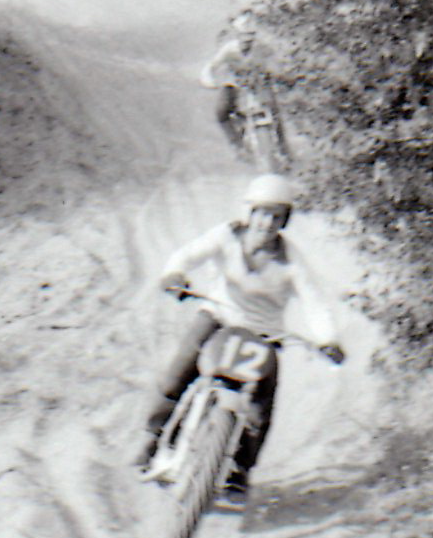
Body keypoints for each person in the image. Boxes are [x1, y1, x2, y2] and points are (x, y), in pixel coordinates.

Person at [134, 174, 345, 504]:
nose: (267, 223)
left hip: (264, 334)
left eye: (276, 216)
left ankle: (239, 471)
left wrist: (327, 339)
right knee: (178, 373)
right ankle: (152, 439)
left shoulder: (291, 260)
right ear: (250, 213)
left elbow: (314, 301)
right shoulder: (227, 236)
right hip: (218, 316)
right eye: (262, 213)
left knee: (261, 405)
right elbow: (187, 255)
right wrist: (175, 275)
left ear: (284, 221)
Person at [200, 12, 264, 154]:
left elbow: (273, 64)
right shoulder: (229, 49)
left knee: (271, 110)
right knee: (221, 112)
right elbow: (212, 65)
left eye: (250, 39)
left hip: (255, 85)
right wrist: (208, 79)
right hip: (233, 84)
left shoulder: (261, 49)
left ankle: (281, 146)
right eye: (244, 39)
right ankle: (237, 144)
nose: (247, 44)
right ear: (238, 36)